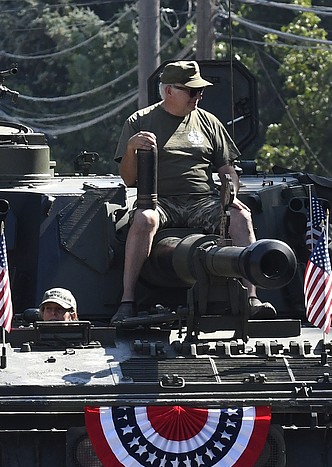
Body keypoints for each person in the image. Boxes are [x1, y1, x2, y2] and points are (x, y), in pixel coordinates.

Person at [112, 60, 274, 324]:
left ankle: (251, 298)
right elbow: (129, 179)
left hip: (201, 200)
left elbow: (226, 168)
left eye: (200, 91)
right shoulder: (140, 121)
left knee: (240, 218)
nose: (198, 96)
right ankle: (127, 300)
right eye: (191, 91)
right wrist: (131, 149)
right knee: (144, 219)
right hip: (160, 201)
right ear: (169, 91)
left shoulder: (209, 122)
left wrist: (230, 194)